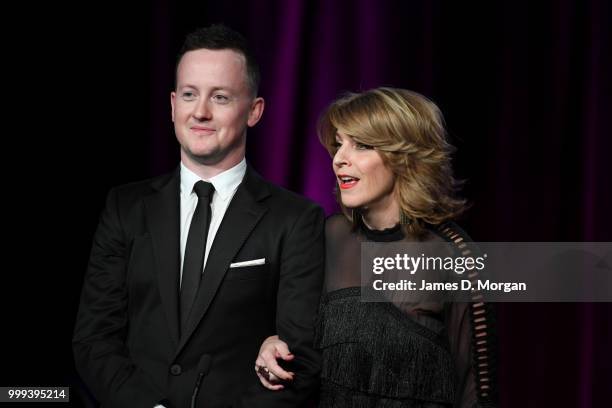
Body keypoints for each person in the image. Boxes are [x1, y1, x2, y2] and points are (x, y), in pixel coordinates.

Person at [73, 24, 324, 408]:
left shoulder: (296, 219)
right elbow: (94, 337)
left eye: (220, 97)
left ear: (254, 111)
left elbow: (298, 358)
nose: (201, 112)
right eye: (190, 95)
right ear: (173, 104)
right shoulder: (125, 207)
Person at [255, 88, 497, 407]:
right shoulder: (325, 237)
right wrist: (270, 345)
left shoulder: (453, 253)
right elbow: (291, 340)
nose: (340, 158)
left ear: (404, 156)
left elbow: (475, 393)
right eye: (339, 144)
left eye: (362, 145)